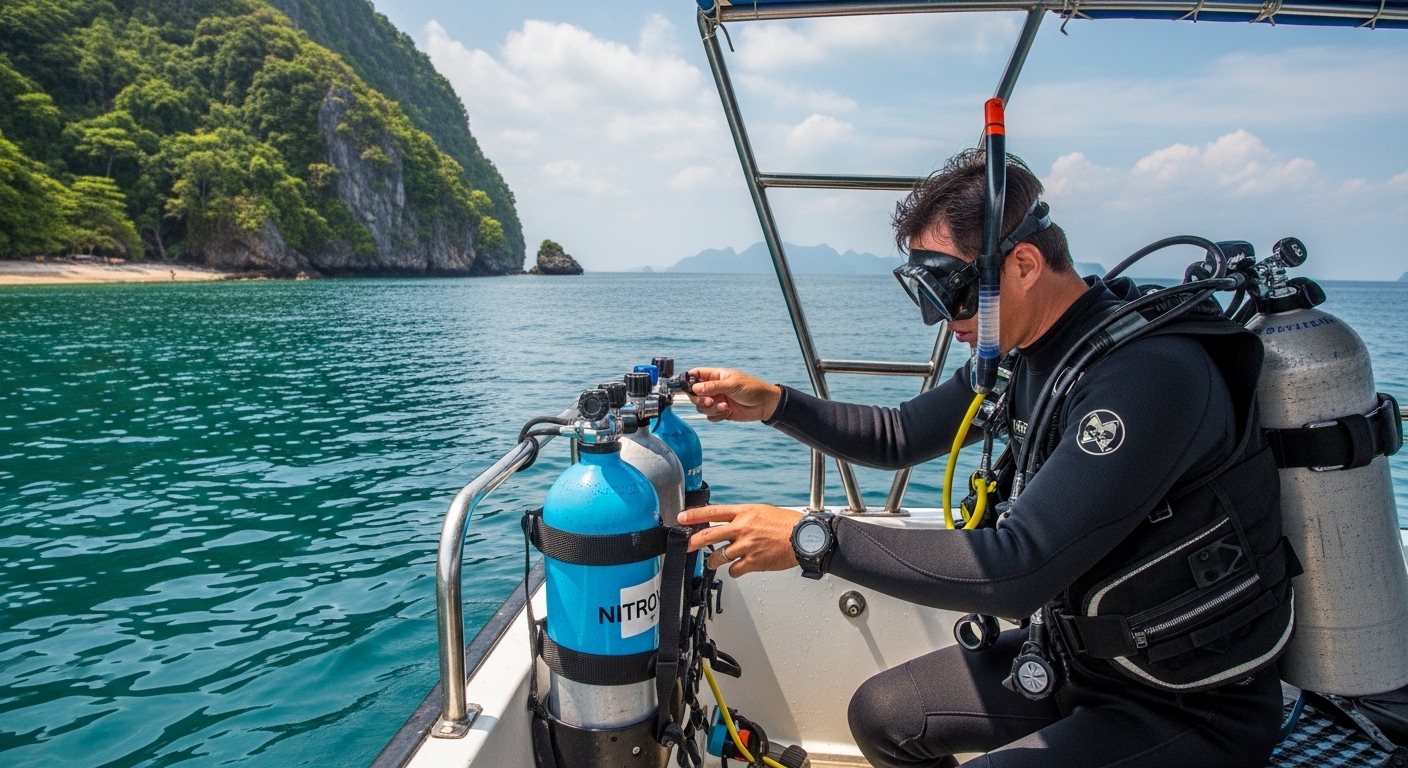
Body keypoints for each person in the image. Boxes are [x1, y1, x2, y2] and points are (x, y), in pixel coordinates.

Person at [678, 150, 1296, 767]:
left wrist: (816, 537)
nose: (940, 321)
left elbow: (1015, 569)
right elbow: (899, 435)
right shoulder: (1029, 353)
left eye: (953, 292)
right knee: (883, 716)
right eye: (926, 292)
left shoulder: (1147, 377)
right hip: (1078, 659)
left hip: (1186, 702)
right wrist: (777, 403)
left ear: (1024, 264)